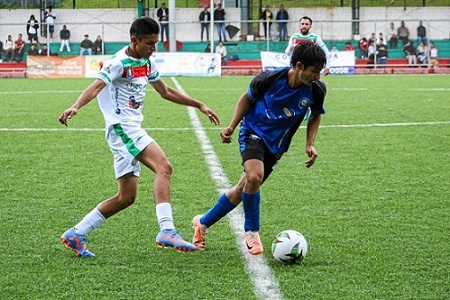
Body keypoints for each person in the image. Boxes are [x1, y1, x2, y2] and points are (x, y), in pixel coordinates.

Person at [59, 17, 220, 258]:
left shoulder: (146, 63)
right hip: (123, 127)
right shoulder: (118, 62)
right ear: (134, 40)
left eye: (156, 43)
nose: (153, 48)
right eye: (150, 43)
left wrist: (198, 104)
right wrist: (75, 106)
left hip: (129, 129)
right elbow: (95, 86)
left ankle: (76, 233)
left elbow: (165, 92)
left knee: (126, 197)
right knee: (164, 167)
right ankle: (167, 229)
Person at [191, 41, 327, 255]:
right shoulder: (269, 79)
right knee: (254, 176)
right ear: (299, 66)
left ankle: (202, 223)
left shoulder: (316, 90)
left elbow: (316, 114)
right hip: (253, 132)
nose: (318, 76)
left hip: (277, 146)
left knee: (242, 189)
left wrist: (310, 143)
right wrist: (232, 126)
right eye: (315, 71)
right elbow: (246, 99)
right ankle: (252, 232)